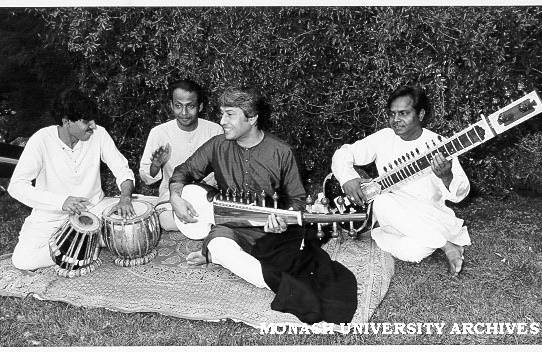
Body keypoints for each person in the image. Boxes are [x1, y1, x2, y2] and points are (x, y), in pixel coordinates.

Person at [169, 87, 357, 324]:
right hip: (230, 225)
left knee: (299, 260)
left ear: (252, 118)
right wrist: (176, 198)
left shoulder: (281, 152)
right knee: (219, 247)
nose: (222, 121)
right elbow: (183, 171)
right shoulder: (217, 145)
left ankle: (273, 279)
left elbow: (297, 200)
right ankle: (270, 280)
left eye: (229, 115)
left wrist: (281, 222)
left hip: (270, 232)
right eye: (221, 114)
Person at [331, 85, 470, 276]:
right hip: (391, 209)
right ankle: (447, 246)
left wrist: (447, 176)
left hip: (429, 215)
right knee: (382, 201)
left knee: (416, 252)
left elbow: (460, 194)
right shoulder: (384, 138)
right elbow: (343, 154)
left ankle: (381, 234)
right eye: (392, 114)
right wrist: (348, 178)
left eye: (403, 113)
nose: (396, 120)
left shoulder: (440, 145)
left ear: (420, 115)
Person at [8, 89, 136, 271]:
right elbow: (17, 186)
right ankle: (85, 244)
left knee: (134, 228)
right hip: (50, 217)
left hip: (94, 209)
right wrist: (61, 202)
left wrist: (125, 198)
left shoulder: (99, 134)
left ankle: (83, 242)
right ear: (66, 121)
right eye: (86, 121)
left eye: (93, 120)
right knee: (23, 260)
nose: (92, 126)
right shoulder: (41, 140)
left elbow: (122, 170)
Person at [139, 79, 223, 230]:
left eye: (190, 106)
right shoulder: (159, 133)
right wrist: (156, 165)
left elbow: (225, 170)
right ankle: (205, 225)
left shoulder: (215, 131)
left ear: (200, 106)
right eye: (178, 106)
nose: (184, 113)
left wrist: (214, 179)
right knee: (166, 221)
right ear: (171, 105)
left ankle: (202, 223)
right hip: (171, 196)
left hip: (207, 194)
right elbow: (147, 179)